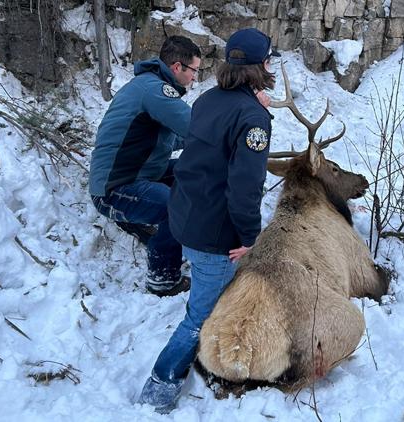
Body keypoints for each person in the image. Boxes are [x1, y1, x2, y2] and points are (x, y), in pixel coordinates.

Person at [137, 28, 280, 413]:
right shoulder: (253, 119)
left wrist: (254, 108)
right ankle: (160, 386)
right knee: (199, 316)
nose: (270, 66)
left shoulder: (209, 99)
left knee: (206, 297)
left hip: (187, 218)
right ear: (259, 67)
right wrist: (250, 235)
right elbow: (244, 188)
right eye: (268, 60)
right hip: (215, 235)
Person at [88, 36, 201, 297]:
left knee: (193, 169)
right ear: (177, 67)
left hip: (141, 173)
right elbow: (196, 128)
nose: (195, 77)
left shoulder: (148, 87)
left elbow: (173, 139)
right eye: (194, 70)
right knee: (177, 206)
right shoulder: (156, 91)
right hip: (114, 189)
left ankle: (168, 232)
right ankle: (163, 279)